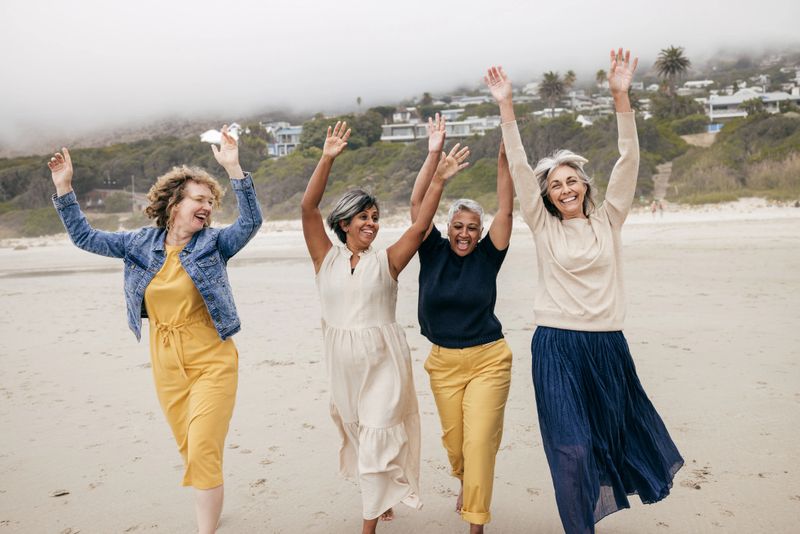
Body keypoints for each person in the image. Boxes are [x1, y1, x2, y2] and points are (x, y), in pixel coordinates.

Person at [484, 50, 683, 533]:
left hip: (607, 346)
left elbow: (629, 159)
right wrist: (506, 107)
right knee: (570, 449)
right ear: (547, 195)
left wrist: (621, 96)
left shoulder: (608, 220)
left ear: (585, 188)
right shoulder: (543, 226)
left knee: (609, 442)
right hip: (556, 345)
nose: (566, 188)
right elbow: (517, 161)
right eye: (556, 185)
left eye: (573, 181)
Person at [48, 126, 262, 534]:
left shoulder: (215, 244)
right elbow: (85, 237)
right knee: (191, 447)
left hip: (212, 357)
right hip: (165, 360)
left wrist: (234, 169)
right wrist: (64, 190)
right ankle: (213, 505)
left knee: (202, 446)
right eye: (199, 199)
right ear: (175, 204)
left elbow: (250, 221)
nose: (207, 207)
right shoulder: (139, 244)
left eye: (211, 202)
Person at [300, 120, 468, 534]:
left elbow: (417, 227)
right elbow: (308, 209)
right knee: (359, 434)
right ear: (344, 224)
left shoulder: (387, 262)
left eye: (375, 217)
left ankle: (369, 525)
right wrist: (326, 157)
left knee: (377, 434)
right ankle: (381, 495)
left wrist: (439, 181)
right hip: (342, 364)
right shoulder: (326, 258)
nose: (372, 223)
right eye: (363, 217)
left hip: (383, 363)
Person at [409, 114, 514, 533]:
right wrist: (434, 157)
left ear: (481, 230)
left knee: (479, 444)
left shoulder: (491, 254)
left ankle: (476, 523)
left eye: (473, 228)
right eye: (458, 227)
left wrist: (506, 152)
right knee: (456, 447)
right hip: (443, 363)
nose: (465, 234)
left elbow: (507, 205)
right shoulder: (431, 249)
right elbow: (419, 207)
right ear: (448, 228)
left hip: (489, 359)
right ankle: (465, 482)